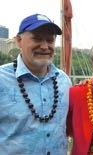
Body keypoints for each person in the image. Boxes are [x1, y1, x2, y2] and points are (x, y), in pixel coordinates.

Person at [0, 14, 72, 154]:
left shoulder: (64, 81)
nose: (45, 46)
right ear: (19, 41)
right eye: (37, 39)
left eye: (50, 40)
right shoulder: (2, 79)